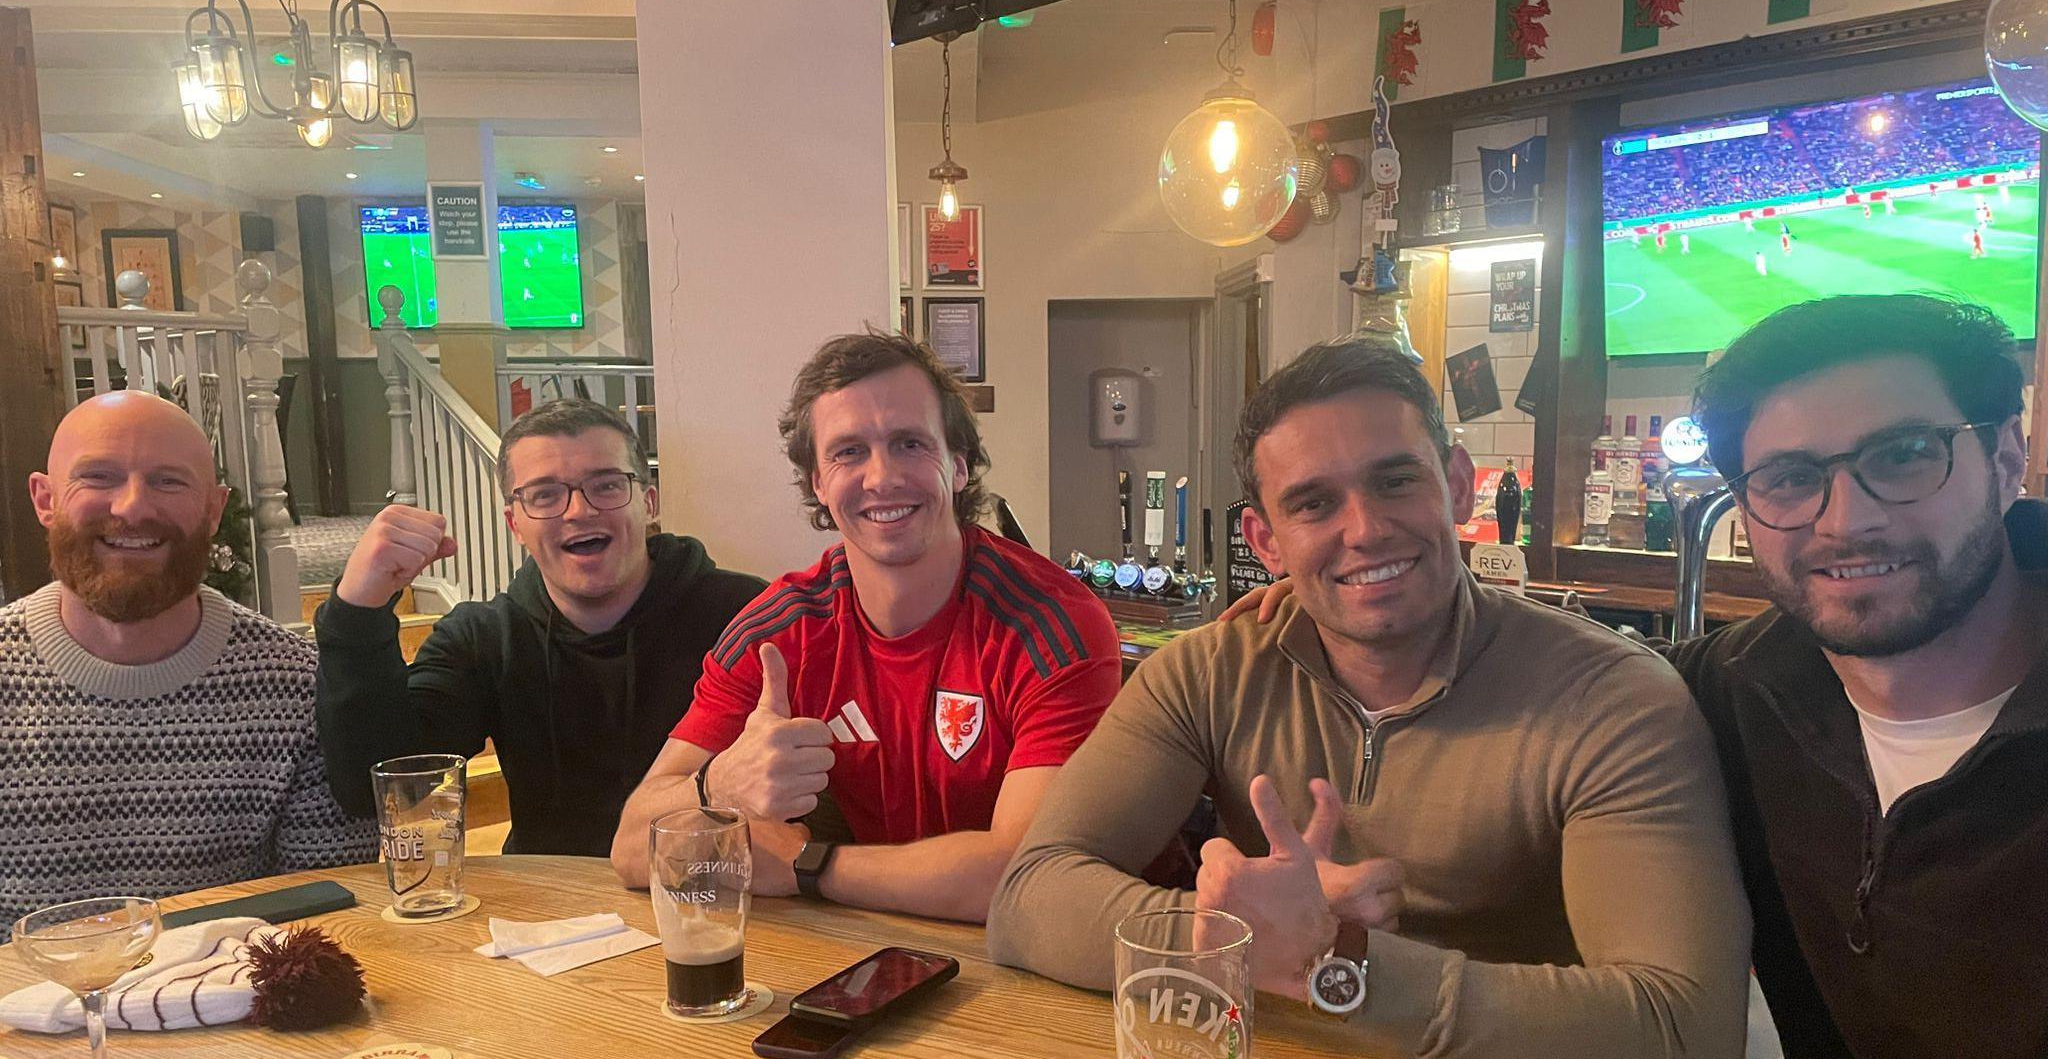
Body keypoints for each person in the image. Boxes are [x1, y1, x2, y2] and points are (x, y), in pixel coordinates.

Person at [988, 339, 1749, 1056]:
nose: (1366, 529)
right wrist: (1239, 932)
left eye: (1394, 481)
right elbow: (1027, 900)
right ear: (1265, 541)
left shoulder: (1611, 700)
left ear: (1455, 483)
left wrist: (1341, 961)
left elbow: (1684, 1027)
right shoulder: (1210, 671)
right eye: (1314, 504)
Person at [611, 331, 1121, 923]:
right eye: (848, 452)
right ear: (818, 485)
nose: (882, 477)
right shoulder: (778, 632)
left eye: (909, 443)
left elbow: (1025, 875)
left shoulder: (1055, 624)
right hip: (879, 942)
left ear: (958, 466)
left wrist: (810, 866)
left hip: (1054, 963)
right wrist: (719, 783)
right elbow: (630, 848)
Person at [1673, 294, 2048, 1058]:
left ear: (2007, 459)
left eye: (1905, 454)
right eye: (1787, 478)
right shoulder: (1731, 689)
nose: (1845, 521)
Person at [316, 399, 765, 856]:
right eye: (545, 494)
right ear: (515, 523)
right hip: (548, 915)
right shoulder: (484, 638)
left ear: (648, 503)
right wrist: (357, 611)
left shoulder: (748, 617)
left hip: (717, 899)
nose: (577, 510)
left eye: (606, 485)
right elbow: (376, 787)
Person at [1, 392, 373, 938]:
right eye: (99, 477)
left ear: (214, 510)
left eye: (168, 481)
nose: (131, 507)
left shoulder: (296, 686)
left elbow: (330, 916)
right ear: (45, 499)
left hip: (233, 1007)